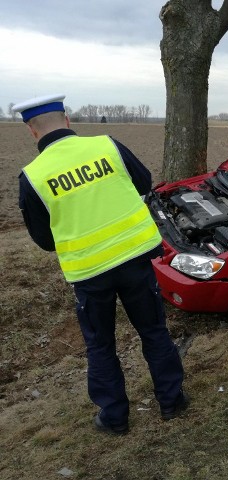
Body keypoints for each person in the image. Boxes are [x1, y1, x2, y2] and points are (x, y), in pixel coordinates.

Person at [13, 94, 188, 435]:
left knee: (100, 345)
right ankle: (172, 402)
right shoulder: (108, 146)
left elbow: (45, 241)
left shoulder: (32, 177)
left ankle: (114, 418)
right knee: (153, 332)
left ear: (32, 132)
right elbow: (143, 183)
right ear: (67, 119)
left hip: (90, 274)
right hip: (136, 259)